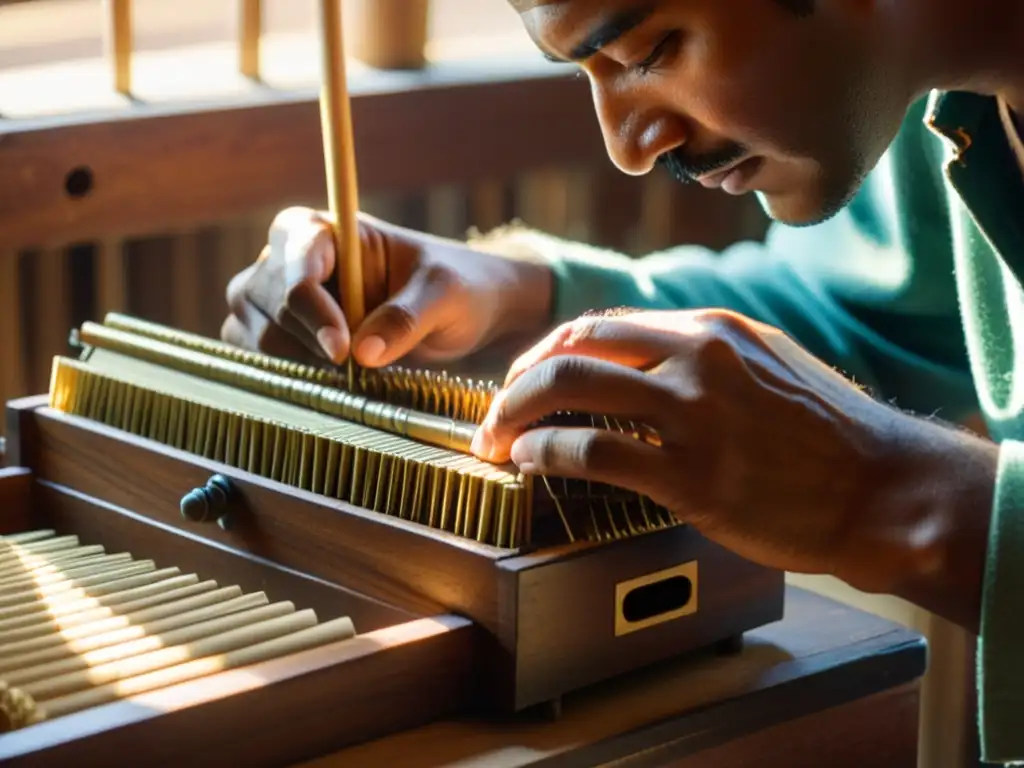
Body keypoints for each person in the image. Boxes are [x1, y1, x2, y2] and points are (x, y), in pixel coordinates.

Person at [221, 1, 1024, 760]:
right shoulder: (932, 104)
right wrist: (513, 294)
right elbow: (874, 320)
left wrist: (890, 497)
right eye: (587, 70)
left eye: (649, 50)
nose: (627, 146)